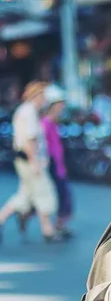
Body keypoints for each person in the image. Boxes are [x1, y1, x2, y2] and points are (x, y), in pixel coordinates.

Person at [0, 81, 62, 244]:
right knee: (44, 193)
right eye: (43, 96)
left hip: (26, 160)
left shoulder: (27, 111)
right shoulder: (28, 113)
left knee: (25, 197)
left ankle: (1, 219)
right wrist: (35, 161)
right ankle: (48, 230)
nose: (45, 100)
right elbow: (29, 140)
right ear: (37, 95)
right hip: (30, 160)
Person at [41, 85, 74, 237]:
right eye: (60, 104)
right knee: (59, 196)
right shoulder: (45, 123)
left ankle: (59, 225)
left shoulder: (54, 123)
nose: (62, 107)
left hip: (58, 164)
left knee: (63, 196)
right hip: (51, 165)